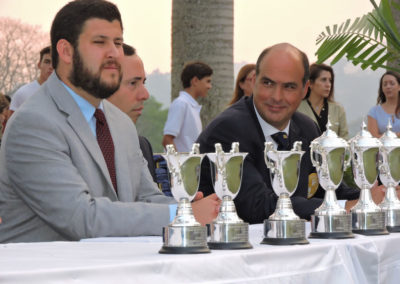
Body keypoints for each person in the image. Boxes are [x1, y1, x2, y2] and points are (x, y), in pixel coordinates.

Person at [0, 0, 219, 243]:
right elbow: (81, 217)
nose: (114, 53)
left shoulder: (118, 121)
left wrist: (194, 209)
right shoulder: (32, 123)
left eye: (117, 42)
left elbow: (147, 197)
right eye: (99, 42)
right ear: (65, 51)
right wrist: (180, 215)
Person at [196, 43, 384, 224]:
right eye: (268, 83)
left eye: (289, 87)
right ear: (254, 82)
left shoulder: (306, 127)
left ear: (304, 90)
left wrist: (377, 194)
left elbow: (330, 189)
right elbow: (257, 206)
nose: (276, 97)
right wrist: (345, 207)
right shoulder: (227, 130)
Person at [108, 43, 155, 179]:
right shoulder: (76, 148)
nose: (145, 95)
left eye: (143, 83)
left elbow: (150, 199)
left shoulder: (141, 146)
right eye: (133, 83)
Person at [162, 61, 213, 152]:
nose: (210, 86)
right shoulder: (181, 104)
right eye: (207, 81)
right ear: (195, 81)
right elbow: (167, 140)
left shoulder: (190, 106)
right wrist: (178, 164)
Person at [297, 63, 349, 139]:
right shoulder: (298, 108)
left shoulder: (338, 109)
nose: (328, 85)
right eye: (323, 80)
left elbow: (345, 139)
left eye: (330, 80)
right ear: (310, 83)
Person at [9, 46, 53, 115]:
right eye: (47, 62)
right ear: (39, 65)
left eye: (55, 63)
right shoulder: (23, 93)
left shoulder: (64, 95)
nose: (51, 66)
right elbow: (11, 124)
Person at [368, 71, 400, 137]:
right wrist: (397, 136)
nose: (388, 87)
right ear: (382, 89)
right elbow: (373, 137)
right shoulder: (374, 112)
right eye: (385, 84)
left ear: (399, 87)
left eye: (392, 83)